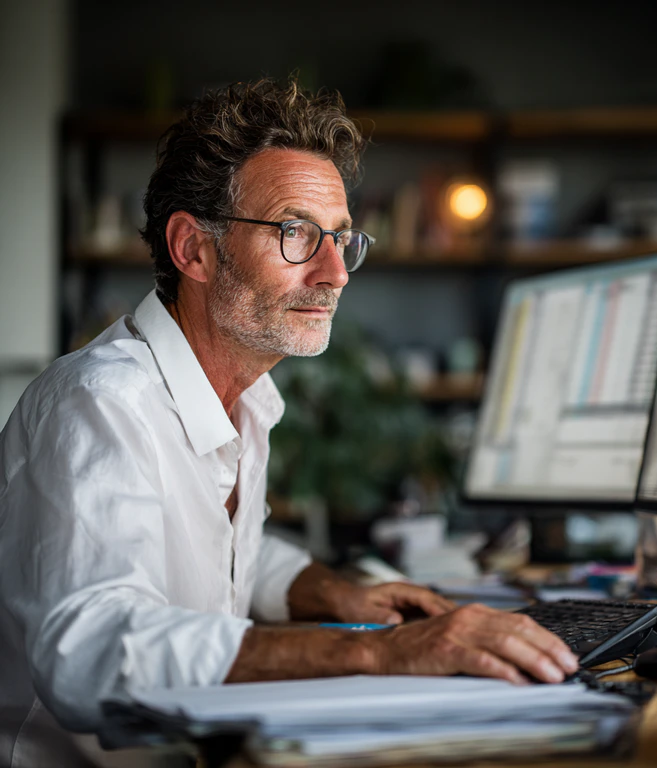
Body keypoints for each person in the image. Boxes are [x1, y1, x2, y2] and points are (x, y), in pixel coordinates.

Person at [0, 79, 578, 767]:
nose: (335, 272)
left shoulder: (246, 399)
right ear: (194, 250)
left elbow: (215, 552)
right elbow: (91, 651)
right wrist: (377, 651)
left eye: (339, 238)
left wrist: (331, 591)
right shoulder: (100, 402)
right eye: (297, 233)